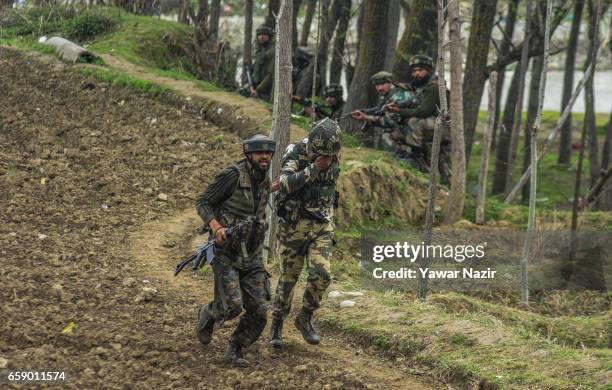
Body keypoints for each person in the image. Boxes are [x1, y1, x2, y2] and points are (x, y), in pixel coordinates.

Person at [194, 134, 279, 367]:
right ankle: (209, 313)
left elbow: (258, 197)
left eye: (268, 153)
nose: (265, 156)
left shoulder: (263, 177)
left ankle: (236, 348)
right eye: (260, 152)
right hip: (227, 254)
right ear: (249, 154)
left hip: (252, 255)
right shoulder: (231, 175)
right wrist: (216, 226)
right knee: (231, 307)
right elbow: (203, 202)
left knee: (260, 310)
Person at [268, 118, 341, 350]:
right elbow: (285, 183)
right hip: (294, 226)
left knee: (322, 274)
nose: (327, 159)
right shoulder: (296, 151)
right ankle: (277, 325)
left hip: (321, 226)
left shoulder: (333, 153)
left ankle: (305, 317)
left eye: (330, 155)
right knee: (288, 280)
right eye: (322, 154)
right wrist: (314, 168)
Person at [389, 54, 451, 183]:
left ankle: (415, 156)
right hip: (433, 124)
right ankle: (406, 152)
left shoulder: (434, 87)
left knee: (414, 121)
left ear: (428, 71)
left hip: (443, 127)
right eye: (414, 71)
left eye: (420, 70)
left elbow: (423, 111)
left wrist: (400, 111)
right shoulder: (423, 88)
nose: (416, 74)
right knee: (405, 122)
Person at [350, 71, 414, 151]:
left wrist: (366, 117)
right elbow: (381, 108)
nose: (380, 88)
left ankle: (398, 157)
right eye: (377, 85)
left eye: (383, 84)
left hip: (411, 131)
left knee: (387, 133)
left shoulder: (399, 96)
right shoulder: (390, 94)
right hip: (405, 130)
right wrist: (365, 111)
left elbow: (390, 121)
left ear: (390, 83)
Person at [249, 25, 276, 102]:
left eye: (264, 35)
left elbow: (270, 75)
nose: (261, 37)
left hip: (266, 91)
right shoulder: (261, 50)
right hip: (257, 87)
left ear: (269, 36)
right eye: (259, 35)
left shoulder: (272, 52)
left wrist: (257, 90)